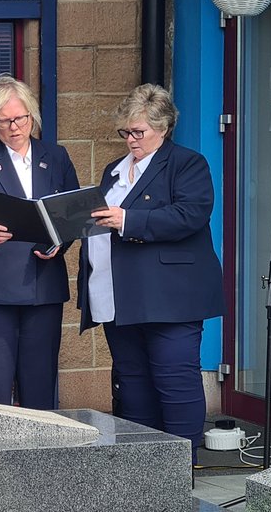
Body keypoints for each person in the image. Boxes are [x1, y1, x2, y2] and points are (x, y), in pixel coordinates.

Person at [82, 84, 223, 458]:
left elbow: (190, 215)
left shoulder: (187, 163)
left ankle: (180, 468)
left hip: (169, 297)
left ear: (163, 128)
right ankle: (142, 467)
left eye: (138, 132)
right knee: (133, 385)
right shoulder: (115, 169)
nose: (130, 140)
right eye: (125, 132)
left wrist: (128, 220)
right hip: (119, 297)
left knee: (174, 381)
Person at [0, 74, 79, 409]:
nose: (13, 127)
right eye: (4, 121)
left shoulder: (57, 156)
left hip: (42, 282)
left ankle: (39, 459)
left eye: (19, 118)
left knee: (39, 382)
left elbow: (72, 214)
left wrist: (58, 244)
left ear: (31, 116)